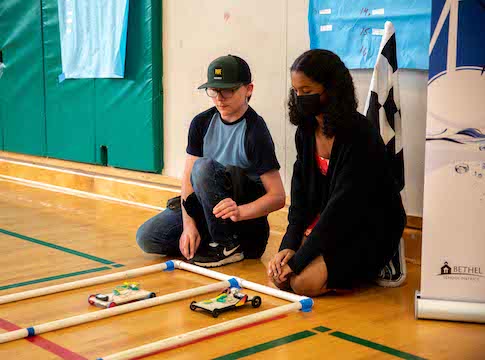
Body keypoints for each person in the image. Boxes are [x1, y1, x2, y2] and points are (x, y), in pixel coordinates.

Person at [268, 49, 406, 296]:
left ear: (331, 89)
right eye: (296, 91)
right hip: (328, 222)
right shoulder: (306, 131)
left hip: (366, 227)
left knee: (302, 283)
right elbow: (299, 199)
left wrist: (297, 262)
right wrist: (287, 246)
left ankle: (376, 264)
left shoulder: (359, 134)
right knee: (278, 277)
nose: (300, 97)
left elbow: (343, 210)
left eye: (307, 92)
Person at [137, 54, 285, 267]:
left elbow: (278, 196)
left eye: (228, 90)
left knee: (203, 167)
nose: (219, 98)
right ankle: (208, 240)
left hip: (242, 224)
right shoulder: (201, 123)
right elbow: (187, 180)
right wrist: (189, 225)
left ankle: (228, 245)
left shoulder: (255, 131)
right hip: (207, 211)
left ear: (249, 89)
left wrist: (240, 211)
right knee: (148, 237)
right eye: (214, 91)